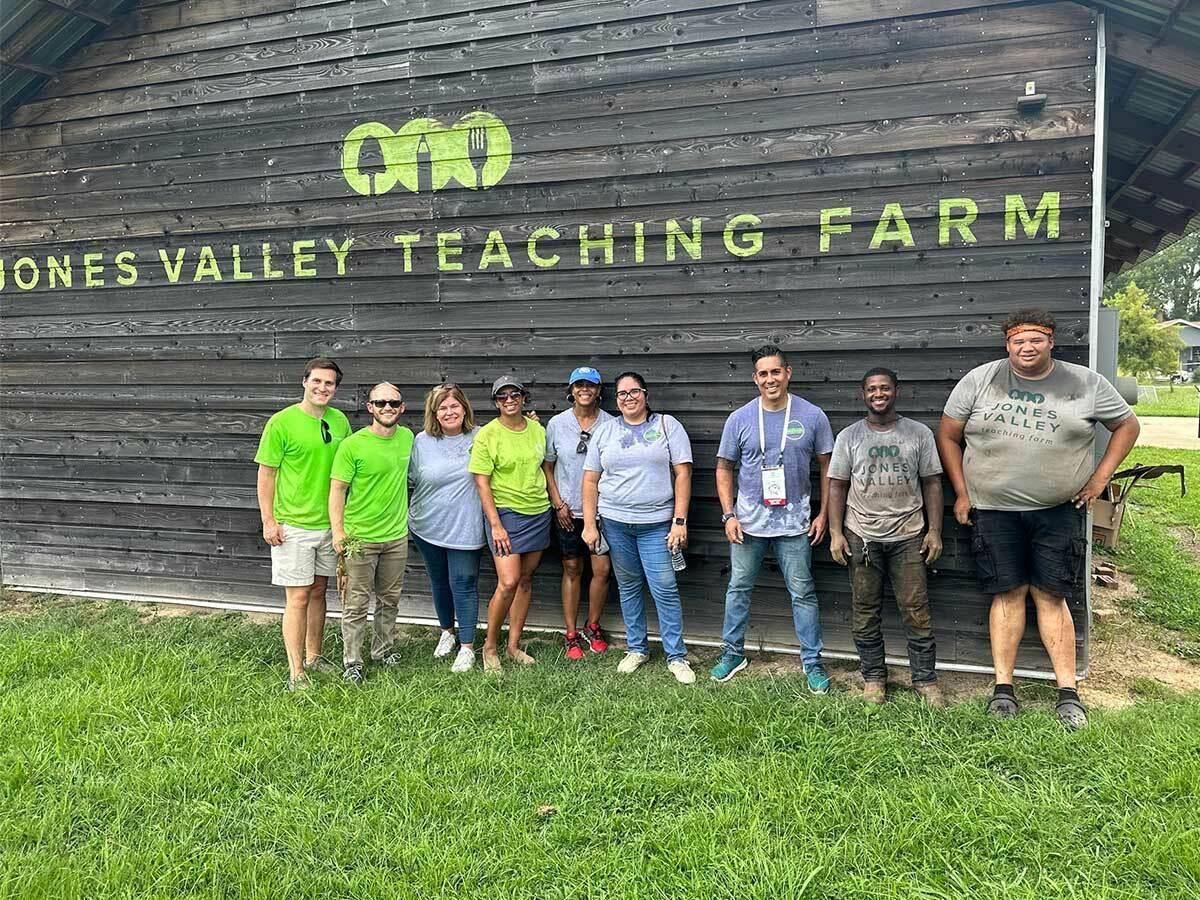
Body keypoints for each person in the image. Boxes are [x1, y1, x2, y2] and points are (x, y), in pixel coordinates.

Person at [936, 309, 1140, 729]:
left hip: (1058, 511)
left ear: (1050, 342)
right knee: (1007, 595)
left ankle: (1068, 693)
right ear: (1007, 344)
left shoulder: (1084, 382)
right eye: (1018, 341)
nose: (1027, 348)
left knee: (1051, 596)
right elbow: (948, 435)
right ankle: (1003, 690)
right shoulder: (980, 380)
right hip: (992, 511)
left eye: (1036, 340)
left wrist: (1100, 478)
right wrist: (961, 491)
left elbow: (1127, 425)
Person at [708, 345, 834, 693]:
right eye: (762, 374)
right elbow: (723, 468)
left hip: (795, 525)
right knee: (738, 589)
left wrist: (823, 513)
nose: (770, 379)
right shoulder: (740, 419)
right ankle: (733, 654)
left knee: (803, 592)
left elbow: (828, 467)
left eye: (775, 372)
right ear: (755, 378)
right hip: (748, 524)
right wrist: (728, 514)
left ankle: (812, 663)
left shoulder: (812, 416)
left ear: (788, 373)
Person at [828, 367, 946, 706]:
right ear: (862, 394)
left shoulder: (918, 434)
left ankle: (925, 680)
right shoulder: (849, 437)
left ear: (896, 391)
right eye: (871, 390)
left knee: (916, 609)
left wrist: (935, 531)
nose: (878, 394)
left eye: (884, 388)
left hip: (909, 535)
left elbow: (933, 483)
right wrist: (836, 533)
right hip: (861, 536)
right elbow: (836, 485)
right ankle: (874, 678)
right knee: (865, 609)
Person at [581, 372, 696, 684]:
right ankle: (637, 648)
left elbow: (683, 473)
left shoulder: (666, 426)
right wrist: (589, 524)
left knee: (664, 588)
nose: (628, 398)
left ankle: (676, 655)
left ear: (645, 394)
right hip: (616, 524)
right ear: (615, 399)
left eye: (634, 392)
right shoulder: (605, 431)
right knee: (628, 586)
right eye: (621, 394)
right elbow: (590, 479)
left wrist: (679, 521)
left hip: (657, 524)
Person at [254, 357, 352, 691]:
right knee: (296, 597)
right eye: (318, 381)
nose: (323, 388)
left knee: (319, 591)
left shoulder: (340, 422)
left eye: (330, 383)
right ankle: (296, 672)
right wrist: (269, 520)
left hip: (330, 524)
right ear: (304, 382)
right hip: (293, 525)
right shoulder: (281, 423)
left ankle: (314, 656)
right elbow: (266, 474)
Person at [329, 383, 414, 685]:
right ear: (370, 408)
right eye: (381, 403)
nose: (387, 408)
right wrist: (339, 532)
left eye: (393, 403)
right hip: (360, 538)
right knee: (356, 603)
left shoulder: (407, 438)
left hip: (395, 536)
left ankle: (383, 649)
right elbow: (337, 490)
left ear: (402, 408)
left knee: (390, 599)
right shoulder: (352, 445)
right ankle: (353, 661)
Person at [469, 376, 552, 673]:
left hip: (538, 512)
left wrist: (554, 502)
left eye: (513, 394)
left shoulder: (537, 430)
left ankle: (513, 645)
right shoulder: (488, 435)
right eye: (501, 396)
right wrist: (496, 525)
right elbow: (482, 483)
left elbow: (545, 466)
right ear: (495, 402)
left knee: (525, 581)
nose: (508, 400)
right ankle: (489, 648)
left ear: (523, 397)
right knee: (508, 582)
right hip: (505, 515)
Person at [409, 384, 485, 674]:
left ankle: (467, 647)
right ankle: (446, 632)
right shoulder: (421, 441)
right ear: (434, 413)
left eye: (454, 406)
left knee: (464, 583)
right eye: (442, 408)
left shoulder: (481, 436)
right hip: (426, 524)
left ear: (464, 408)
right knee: (439, 580)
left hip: (466, 526)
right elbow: (412, 478)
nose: (449, 412)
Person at [543, 366, 614, 660]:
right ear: (571, 390)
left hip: (602, 511)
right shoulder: (557, 424)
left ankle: (592, 625)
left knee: (602, 570)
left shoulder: (611, 423)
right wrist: (558, 503)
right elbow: (547, 466)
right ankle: (570, 632)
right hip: (567, 511)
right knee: (572, 569)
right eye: (578, 385)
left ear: (599, 390)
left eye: (591, 385)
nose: (584, 390)